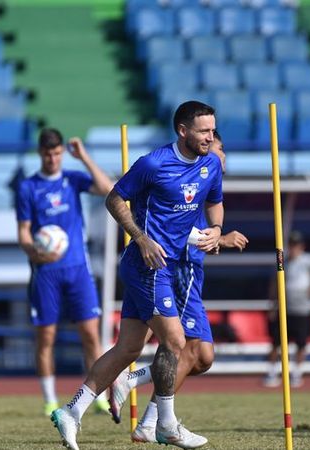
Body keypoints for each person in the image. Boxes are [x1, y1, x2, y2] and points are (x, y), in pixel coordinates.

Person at [51, 100, 222, 450]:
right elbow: (114, 199)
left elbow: (214, 202)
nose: (210, 137)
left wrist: (217, 229)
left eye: (212, 130)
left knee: (128, 348)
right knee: (176, 341)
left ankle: (72, 411)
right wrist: (140, 238)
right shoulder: (153, 164)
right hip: (147, 264)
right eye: (203, 131)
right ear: (183, 131)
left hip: (168, 265)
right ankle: (166, 425)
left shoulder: (211, 165)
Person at [106, 131, 249, 443]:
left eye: (220, 148)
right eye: (217, 147)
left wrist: (216, 234)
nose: (220, 154)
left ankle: (137, 393)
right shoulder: (186, 176)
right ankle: (149, 417)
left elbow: (201, 226)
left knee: (200, 357)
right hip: (177, 270)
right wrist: (220, 238)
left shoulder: (208, 179)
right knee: (188, 348)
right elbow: (176, 231)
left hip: (191, 270)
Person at [15, 128, 113, 416]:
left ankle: (98, 396)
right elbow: (22, 233)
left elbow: (107, 188)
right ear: (40, 153)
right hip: (46, 273)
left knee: (90, 336)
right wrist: (37, 252)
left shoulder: (73, 179)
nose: (53, 159)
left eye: (57, 153)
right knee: (46, 338)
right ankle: (49, 400)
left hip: (78, 270)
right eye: (48, 154)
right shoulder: (28, 187)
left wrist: (83, 157)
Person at [262, 230, 310, 389]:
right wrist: (273, 304)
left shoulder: (309, 261)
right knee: (276, 342)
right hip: (283, 307)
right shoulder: (283, 260)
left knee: (301, 342)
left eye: (296, 245)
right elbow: (275, 282)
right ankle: (273, 372)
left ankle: (296, 373)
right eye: (291, 245)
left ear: (302, 246)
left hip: (301, 308)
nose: (293, 248)